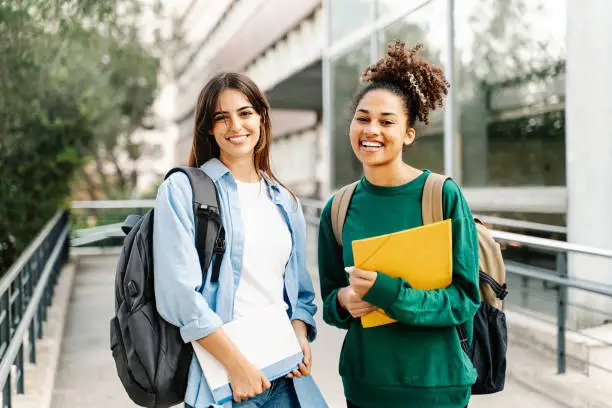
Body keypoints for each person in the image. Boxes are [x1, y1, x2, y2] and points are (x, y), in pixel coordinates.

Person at [318, 40, 480, 408]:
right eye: (363, 118)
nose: (371, 129)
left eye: (386, 121)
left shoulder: (442, 196)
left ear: (408, 134)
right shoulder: (338, 207)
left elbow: (465, 299)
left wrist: (390, 294)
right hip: (365, 389)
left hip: (437, 389)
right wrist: (343, 301)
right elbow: (330, 301)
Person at [153, 72, 326, 408]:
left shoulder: (284, 200)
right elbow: (178, 296)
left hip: (287, 378)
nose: (236, 126)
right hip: (226, 383)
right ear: (208, 128)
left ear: (261, 117)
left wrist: (300, 332)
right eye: (222, 117)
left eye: (245, 113)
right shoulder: (182, 191)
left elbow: (299, 290)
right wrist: (237, 366)